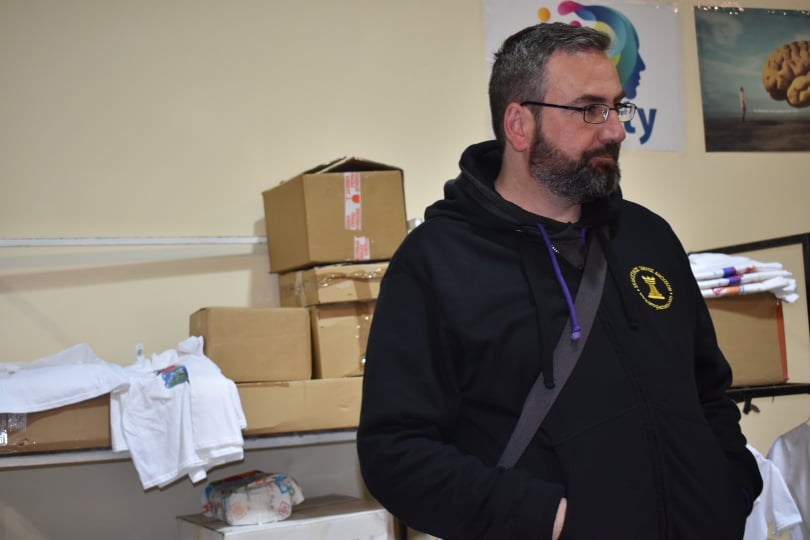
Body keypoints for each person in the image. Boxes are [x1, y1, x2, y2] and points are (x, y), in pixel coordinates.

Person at [356, 22, 762, 540]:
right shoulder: (436, 261)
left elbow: (708, 391)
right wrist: (547, 518)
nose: (615, 131)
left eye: (617, 107)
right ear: (519, 124)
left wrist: (731, 488)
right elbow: (395, 454)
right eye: (589, 109)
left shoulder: (648, 237)